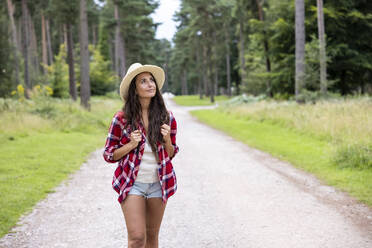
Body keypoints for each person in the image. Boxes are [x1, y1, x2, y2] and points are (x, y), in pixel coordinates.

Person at [103, 63, 179, 248]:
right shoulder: (121, 119)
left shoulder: (166, 117)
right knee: (137, 238)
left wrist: (167, 138)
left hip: (159, 183)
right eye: (143, 81)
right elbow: (109, 155)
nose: (150, 84)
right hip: (132, 183)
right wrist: (131, 144)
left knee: (152, 239)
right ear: (134, 89)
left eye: (151, 80)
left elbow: (170, 154)